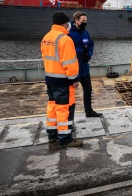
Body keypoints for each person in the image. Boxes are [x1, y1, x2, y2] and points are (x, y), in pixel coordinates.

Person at [41, 12, 82, 148]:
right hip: (63, 81)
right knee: (64, 109)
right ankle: (65, 138)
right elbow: (69, 63)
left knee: (52, 107)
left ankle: (52, 135)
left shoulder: (46, 37)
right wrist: (74, 79)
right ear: (65, 24)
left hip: (50, 79)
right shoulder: (65, 39)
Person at [68, 11, 102, 118]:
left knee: (88, 89)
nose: (85, 23)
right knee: (70, 93)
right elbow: (68, 50)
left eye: (86, 21)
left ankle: (89, 111)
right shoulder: (69, 34)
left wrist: (89, 54)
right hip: (73, 67)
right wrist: (82, 52)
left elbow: (90, 44)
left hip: (84, 67)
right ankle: (69, 117)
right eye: (83, 21)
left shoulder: (85, 33)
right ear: (76, 21)